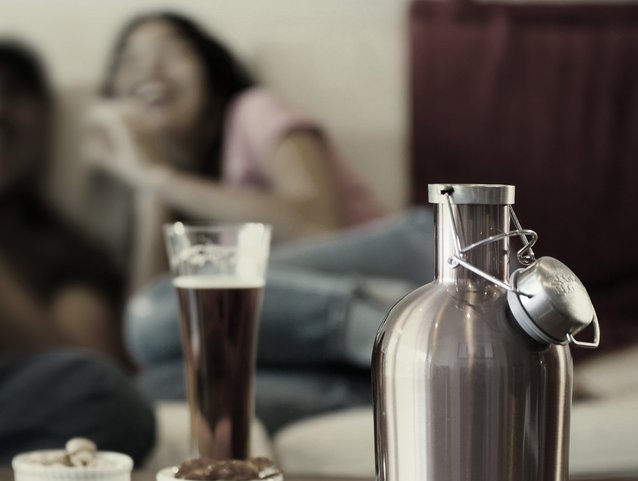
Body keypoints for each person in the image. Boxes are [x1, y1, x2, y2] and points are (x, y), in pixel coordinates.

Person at [84, 13, 434, 432]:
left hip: (406, 263)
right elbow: (150, 337)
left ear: (211, 74)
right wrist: (150, 187)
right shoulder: (169, 185)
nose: (149, 70)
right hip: (344, 363)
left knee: (160, 310)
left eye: (170, 51)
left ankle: (412, 336)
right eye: (130, 60)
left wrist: (160, 177)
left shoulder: (252, 111)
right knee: (156, 385)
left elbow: (315, 223)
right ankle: (393, 381)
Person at [0, 41, 155, 464]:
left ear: (46, 121)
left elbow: (102, 375)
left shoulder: (66, 250)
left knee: (104, 397)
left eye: (12, 93)